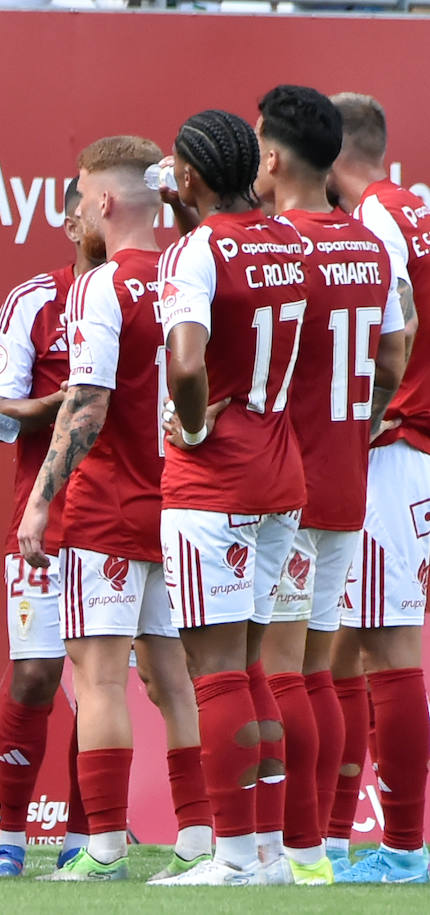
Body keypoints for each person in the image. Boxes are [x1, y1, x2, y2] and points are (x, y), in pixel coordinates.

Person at [18, 136, 209, 882]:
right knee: (175, 677)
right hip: (180, 501)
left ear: (101, 202)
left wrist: (40, 502)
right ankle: (198, 838)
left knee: (99, 679)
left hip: (107, 508)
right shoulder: (189, 272)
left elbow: (87, 406)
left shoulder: (100, 286)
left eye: (78, 194)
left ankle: (103, 846)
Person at [251, 86, 408, 886]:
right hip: (348, 478)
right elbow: (391, 355)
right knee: (319, 671)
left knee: (283, 672)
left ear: (272, 157)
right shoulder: (369, 245)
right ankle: (321, 845)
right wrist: (358, 417)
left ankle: (299, 847)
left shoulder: (278, 245)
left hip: (286, 489)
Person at [153, 109, 308, 886]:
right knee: (248, 668)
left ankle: (234, 856)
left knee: (213, 671)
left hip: (215, 478)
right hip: (281, 470)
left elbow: (186, 365)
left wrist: (187, 426)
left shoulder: (196, 251)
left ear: (188, 175)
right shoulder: (288, 239)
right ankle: (271, 852)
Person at [0, 177, 97, 877]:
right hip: (42, 517)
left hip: (124, 518)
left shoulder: (155, 292)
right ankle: (10, 837)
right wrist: (76, 401)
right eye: (83, 206)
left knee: (101, 679)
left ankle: (86, 838)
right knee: (35, 675)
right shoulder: (34, 300)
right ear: (70, 221)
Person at [325, 90, 430, 884]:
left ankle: (401, 848)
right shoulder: (414, 209)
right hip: (411, 446)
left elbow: (398, 325)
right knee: (357, 646)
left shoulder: (376, 220)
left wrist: (370, 419)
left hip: (394, 448)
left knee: (388, 650)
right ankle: (335, 838)